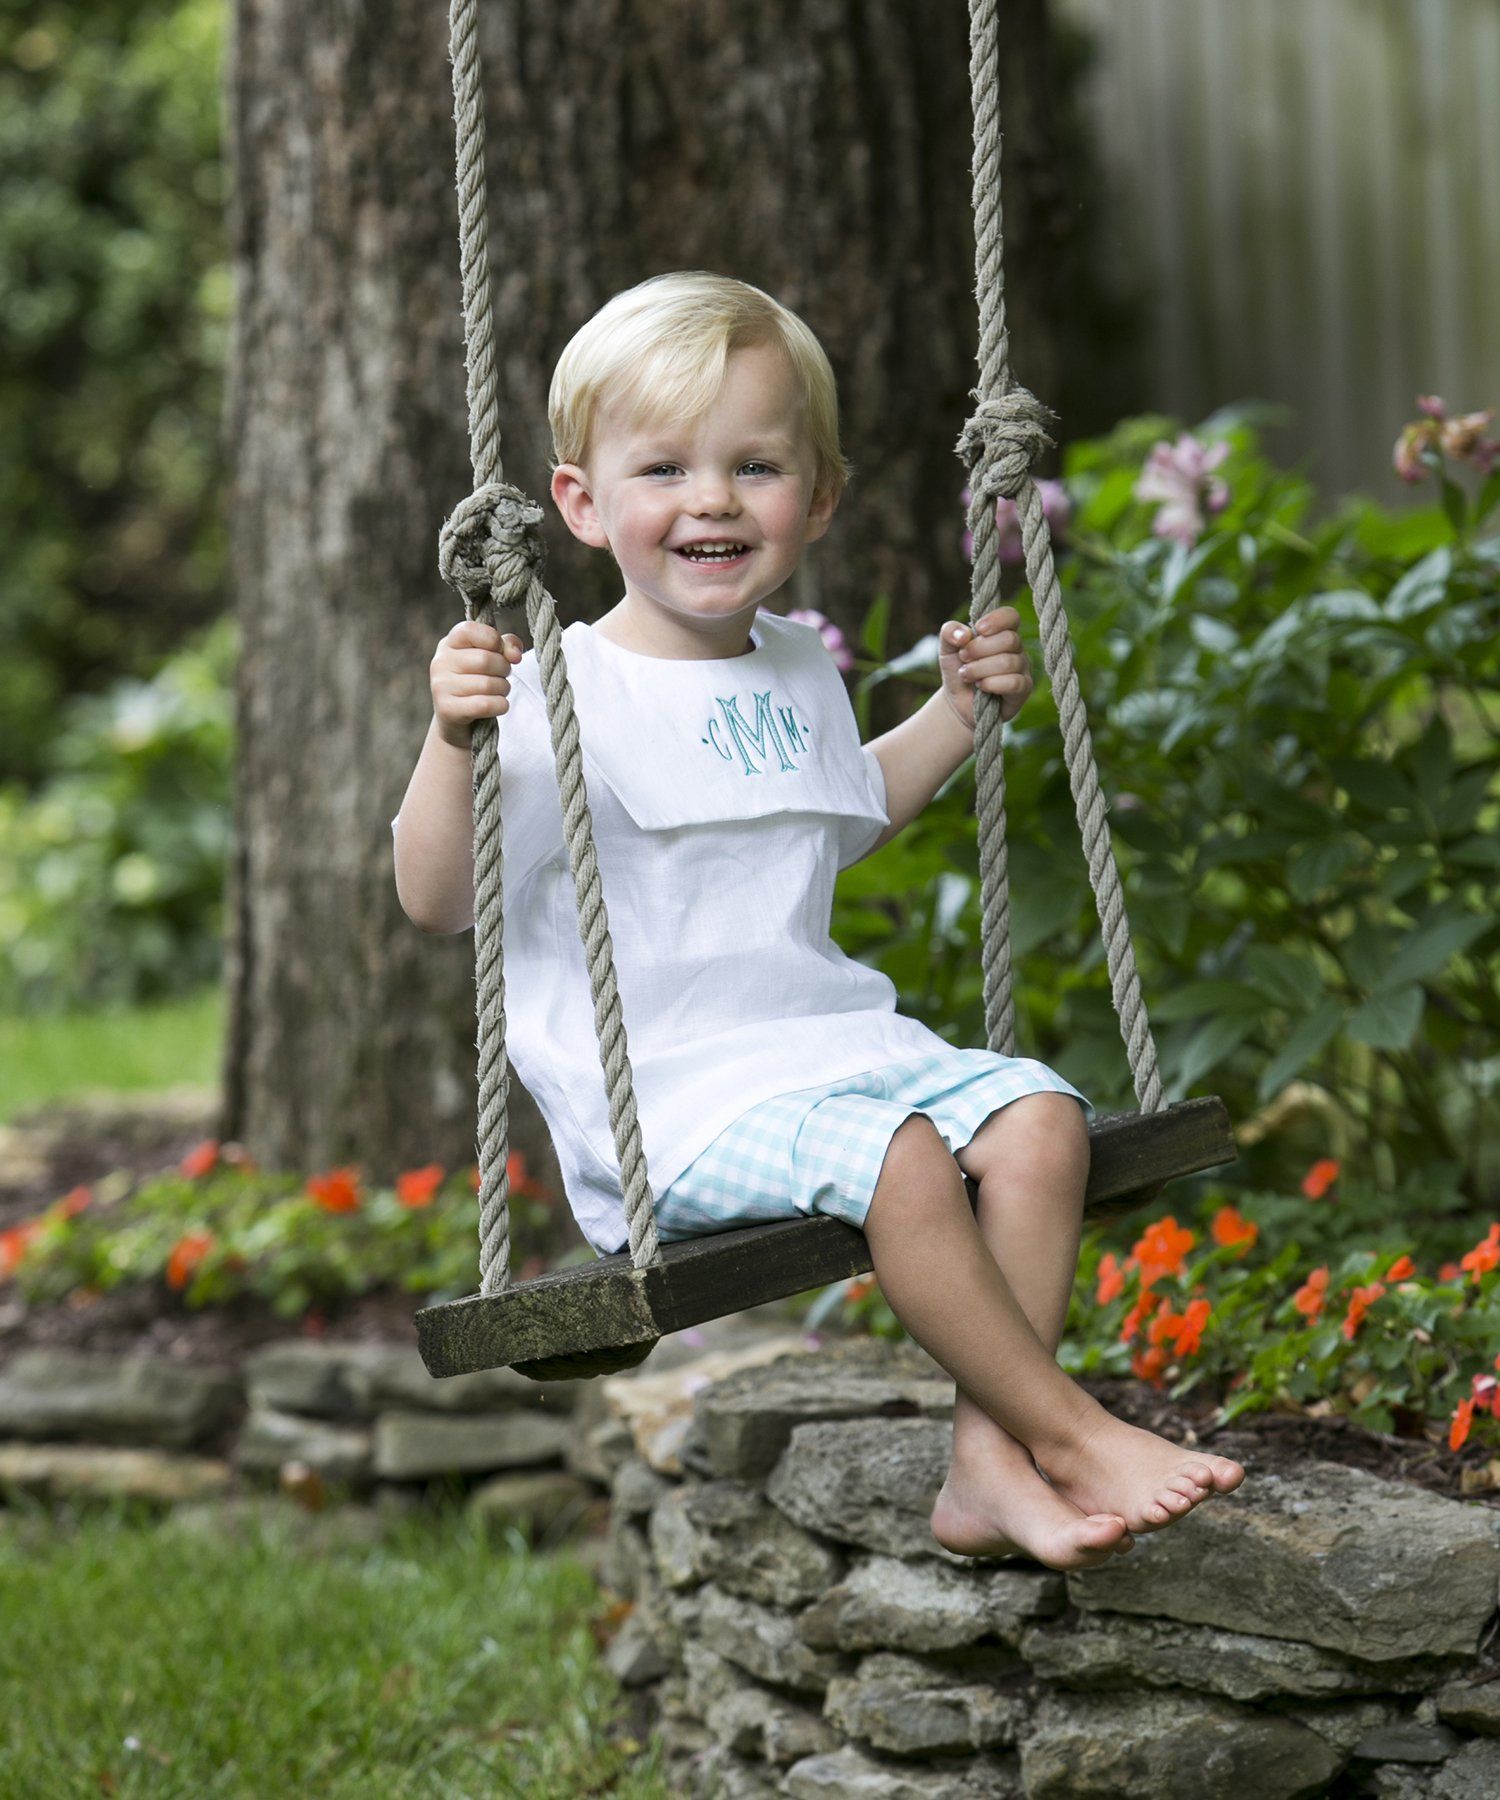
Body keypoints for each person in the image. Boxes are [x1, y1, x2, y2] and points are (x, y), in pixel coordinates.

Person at [392, 271, 1244, 1571]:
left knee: (1041, 1119)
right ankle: (1069, 1431)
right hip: (676, 1107)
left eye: (756, 465)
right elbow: (439, 897)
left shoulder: (795, 660)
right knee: (905, 1158)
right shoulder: (556, 688)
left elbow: (840, 806)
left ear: (820, 495)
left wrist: (955, 717)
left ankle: (985, 1462)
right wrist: (452, 740)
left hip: (825, 1052)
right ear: (580, 503)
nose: (713, 499)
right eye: (665, 467)